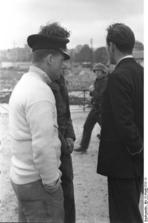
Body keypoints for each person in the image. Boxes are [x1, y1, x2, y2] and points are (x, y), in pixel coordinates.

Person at [9, 22, 71, 223]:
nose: (65, 65)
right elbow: (43, 147)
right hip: (38, 185)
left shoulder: (25, 84)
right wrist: (53, 183)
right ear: (50, 58)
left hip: (22, 178)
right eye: (62, 59)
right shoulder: (40, 92)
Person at [97, 23, 143, 223]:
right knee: (131, 209)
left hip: (123, 162)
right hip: (138, 163)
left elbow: (124, 123)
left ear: (112, 46)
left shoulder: (117, 77)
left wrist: (137, 150)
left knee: (124, 216)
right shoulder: (142, 73)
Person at [50, 71, 76, 223]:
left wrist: (70, 136)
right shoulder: (42, 85)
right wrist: (64, 141)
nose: (64, 65)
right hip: (51, 147)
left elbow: (66, 113)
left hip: (64, 149)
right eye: (61, 59)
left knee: (68, 194)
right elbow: (50, 124)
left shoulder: (61, 80)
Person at [74, 63, 108, 153]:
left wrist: (93, 91)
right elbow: (95, 93)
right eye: (95, 71)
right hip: (95, 108)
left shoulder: (106, 82)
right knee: (87, 126)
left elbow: (101, 96)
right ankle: (83, 147)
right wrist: (91, 93)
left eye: (98, 71)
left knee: (107, 129)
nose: (96, 73)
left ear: (103, 72)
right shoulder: (97, 80)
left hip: (102, 110)